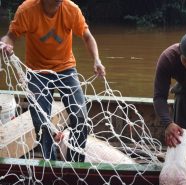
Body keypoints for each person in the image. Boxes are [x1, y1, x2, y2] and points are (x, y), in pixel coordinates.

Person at [0, 0, 106, 162]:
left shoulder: (71, 9)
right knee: (41, 123)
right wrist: (5, 46)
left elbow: (87, 36)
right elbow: (11, 36)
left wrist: (97, 60)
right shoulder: (27, 10)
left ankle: (76, 162)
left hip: (66, 69)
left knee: (80, 116)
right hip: (36, 72)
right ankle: (48, 162)